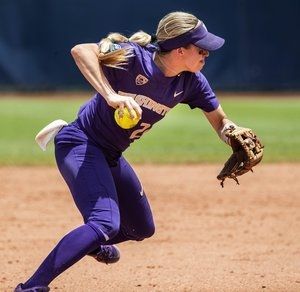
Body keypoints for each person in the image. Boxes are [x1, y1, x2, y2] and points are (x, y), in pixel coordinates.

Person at [15, 11, 239, 291]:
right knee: (105, 222)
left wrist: (232, 132)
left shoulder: (190, 82)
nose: (207, 54)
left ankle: (89, 243)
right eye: (201, 48)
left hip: (111, 154)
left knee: (141, 228)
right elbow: (80, 50)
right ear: (180, 50)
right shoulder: (135, 57)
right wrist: (110, 94)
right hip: (81, 142)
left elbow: (220, 121)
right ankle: (31, 287)